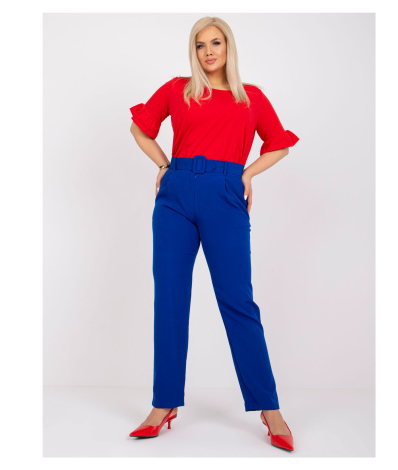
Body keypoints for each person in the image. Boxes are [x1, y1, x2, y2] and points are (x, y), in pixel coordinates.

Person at [128, 17, 299, 451]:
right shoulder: (178, 89)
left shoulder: (250, 97)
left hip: (225, 193)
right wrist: (164, 165)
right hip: (176, 195)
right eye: (200, 45)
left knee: (238, 300)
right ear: (194, 51)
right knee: (170, 298)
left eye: (216, 43)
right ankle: (164, 403)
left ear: (228, 47)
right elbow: (139, 128)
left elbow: (278, 144)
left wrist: (247, 174)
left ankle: (269, 407)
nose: (208, 51)